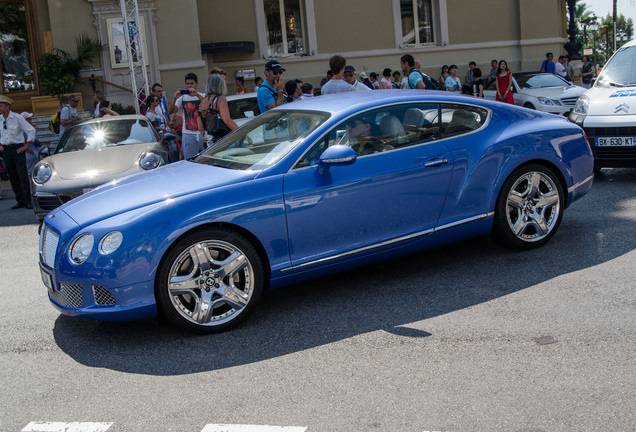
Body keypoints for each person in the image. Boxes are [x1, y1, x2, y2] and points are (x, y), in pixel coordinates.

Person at [0, 95, 35, 209]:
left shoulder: (17, 117)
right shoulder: (0, 119)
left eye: (1, 106)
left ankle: (27, 200)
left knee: (22, 175)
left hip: (17, 148)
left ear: (7, 106)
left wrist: (26, 145)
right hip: (6, 149)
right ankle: (19, 200)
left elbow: (30, 130)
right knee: (12, 175)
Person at [168, 72, 209, 159]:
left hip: (203, 134)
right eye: (187, 84)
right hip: (188, 133)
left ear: (196, 83)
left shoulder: (203, 96)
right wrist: (174, 98)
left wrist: (197, 95)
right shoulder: (182, 98)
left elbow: (207, 108)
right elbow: (171, 111)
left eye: (192, 83)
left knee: (206, 160)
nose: (189, 86)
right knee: (189, 160)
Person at [204, 71, 238, 142]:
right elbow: (227, 120)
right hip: (221, 138)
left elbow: (200, 124)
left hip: (208, 138)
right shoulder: (220, 99)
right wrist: (240, 131)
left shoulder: (203, 100)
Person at [20, 112, 40, 178]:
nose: (31, 120)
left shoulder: (28, 128)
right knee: (30, 172)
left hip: (33, 151)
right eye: (29, 119)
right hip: (30, 152)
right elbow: (24, 143)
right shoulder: (24, 130)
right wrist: (32, 152)